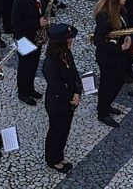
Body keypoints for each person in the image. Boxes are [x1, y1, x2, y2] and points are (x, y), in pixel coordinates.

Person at [42, 23, 83, 170]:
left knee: (64, 130)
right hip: (58, 103)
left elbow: (74, 73)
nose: (71, 41)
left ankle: (59, 154)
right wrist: (71, 97)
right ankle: (52, 159)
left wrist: (78, 91)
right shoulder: (50, 63)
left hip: (69, 100)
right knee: (56, 131)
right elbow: (56, 86)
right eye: (69, 39)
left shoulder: (66, 54)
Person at [93, 0, 131, 127]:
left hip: (117, 54)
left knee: (119, 80)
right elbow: (98, 40)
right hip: (108, 57)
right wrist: (120, 48)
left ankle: (106, 104)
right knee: (107, 85)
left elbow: (124, 27)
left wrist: (128, 37)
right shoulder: (104, 16)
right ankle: (102, 113)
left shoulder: (120, 9)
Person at [12, 0, 48, 106]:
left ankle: (30, 88)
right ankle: (23, 92)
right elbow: (16, 22)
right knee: (25, 66)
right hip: (24, 38)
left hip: (36, 36)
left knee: (33, 64)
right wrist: (37, 23)